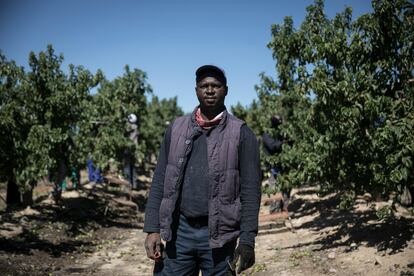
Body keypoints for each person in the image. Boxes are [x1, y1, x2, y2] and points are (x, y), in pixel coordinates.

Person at [143, 65, 261, 275]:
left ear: (226, 90)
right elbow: (160, 179)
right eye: (204, 85)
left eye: (215, 85)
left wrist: (247, 240)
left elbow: (251, 191)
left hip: (220, 237)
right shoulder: (176, 129)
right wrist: (152, 228)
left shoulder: (242, 133)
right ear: (196, 90)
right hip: (180, 233)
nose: (209, 90)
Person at [262, 115, 290, 212]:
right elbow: (273, 146)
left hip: (283, 163)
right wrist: (283, 143)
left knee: (286, 185)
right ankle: (274, 209)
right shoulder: (267, 134)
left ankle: (285, 207)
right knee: (274, 186)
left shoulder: (280, 133)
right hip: (273, 165)